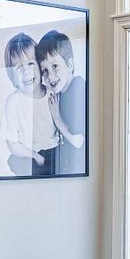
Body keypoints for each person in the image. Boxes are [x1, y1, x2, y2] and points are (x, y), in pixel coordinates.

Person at [0, 32, 56, 176]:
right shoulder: (13, 102)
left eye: (30, 64)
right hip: (30, 156)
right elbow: (12, 143)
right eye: (19, 67)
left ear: (40, 66)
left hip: (56, 153)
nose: (26, 71)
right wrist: (35, 156)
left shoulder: (52, 93)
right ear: (12, 75)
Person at [37, 29, 86, 175]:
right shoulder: (62, 91)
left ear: (69, 65)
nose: (50, 75)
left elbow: (78, 141)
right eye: (44, 70)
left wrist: (57, 117)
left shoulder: (78, 87)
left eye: (54, 66)